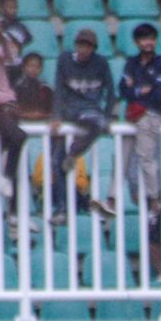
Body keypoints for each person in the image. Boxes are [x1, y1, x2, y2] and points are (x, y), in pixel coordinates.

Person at [50, 29, 114, 224]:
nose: (84, 49)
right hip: (70, 110)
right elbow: (59, 89)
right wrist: (57, 116)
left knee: (99, 123)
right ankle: (61, 209)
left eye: (88, 46)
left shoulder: (101, 63)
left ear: (93, 48)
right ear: (76, 45)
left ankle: (73, 153)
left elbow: (110, 91)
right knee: (56, 161)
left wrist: (109, 115)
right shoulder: (64, 60)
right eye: (81, 45)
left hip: (91, 109)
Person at [116, 23, 161, 218]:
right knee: (122, 156)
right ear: (137, 42)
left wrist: (136, 92)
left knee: (146, 157)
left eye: (152, 38)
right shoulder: (131, 63)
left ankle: (154, 198)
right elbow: (123, 89)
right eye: (144, 39)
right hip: (133, 115)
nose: (148, 43)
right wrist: (141, 90)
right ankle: (112, 197)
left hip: (151, 114)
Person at [0, 0, 31, 84]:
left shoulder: (20, 27)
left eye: (15, 7)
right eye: (9, 7)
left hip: (16, 65)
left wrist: (4, 33)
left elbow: (21, 42)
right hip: (0, 65)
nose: (13, 10)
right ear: (2, 8)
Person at [14, 52, 53, 120]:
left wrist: (40, 114)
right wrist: (27, 114)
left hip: (42, 124)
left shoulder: (46, 88)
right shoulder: (18, 87)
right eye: (31, 66)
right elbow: (14, 109)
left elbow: (51, 110)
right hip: (22, 123)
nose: (34, 69)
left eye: (37, 67)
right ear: (24, 67)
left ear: (41, 69)